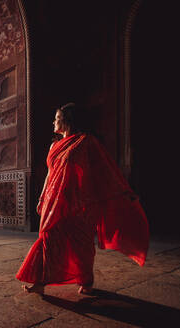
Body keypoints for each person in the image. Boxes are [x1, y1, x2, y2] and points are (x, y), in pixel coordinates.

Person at [16, 103, 149, 295]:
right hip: (54, 199)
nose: (54, 122)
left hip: (80, 201)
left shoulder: (86, 142)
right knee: (48, 237)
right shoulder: (55, 145)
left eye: (57, 118)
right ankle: (40, 283)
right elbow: (49, 173)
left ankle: (86, 280)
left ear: (67, 120)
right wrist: (42, 196)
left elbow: (103, 169)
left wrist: (120, 191)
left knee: (81, 242)